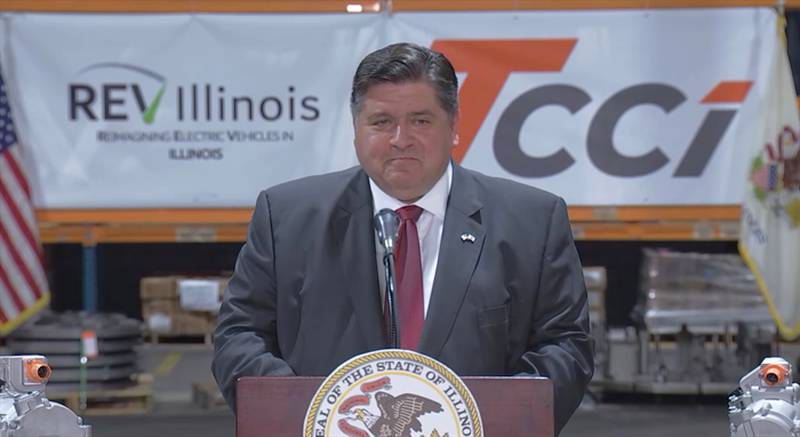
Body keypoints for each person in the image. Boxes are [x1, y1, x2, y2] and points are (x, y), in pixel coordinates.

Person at [212, 42, 593, 434]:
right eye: (381, 122)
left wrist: (488, 422)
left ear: (455, 125)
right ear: (356, 129)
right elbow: (240, 337)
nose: (400, 139)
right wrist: (316, 418)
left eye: (421, 121)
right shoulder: (286, 217)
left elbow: (565, 347)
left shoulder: (531, 221)